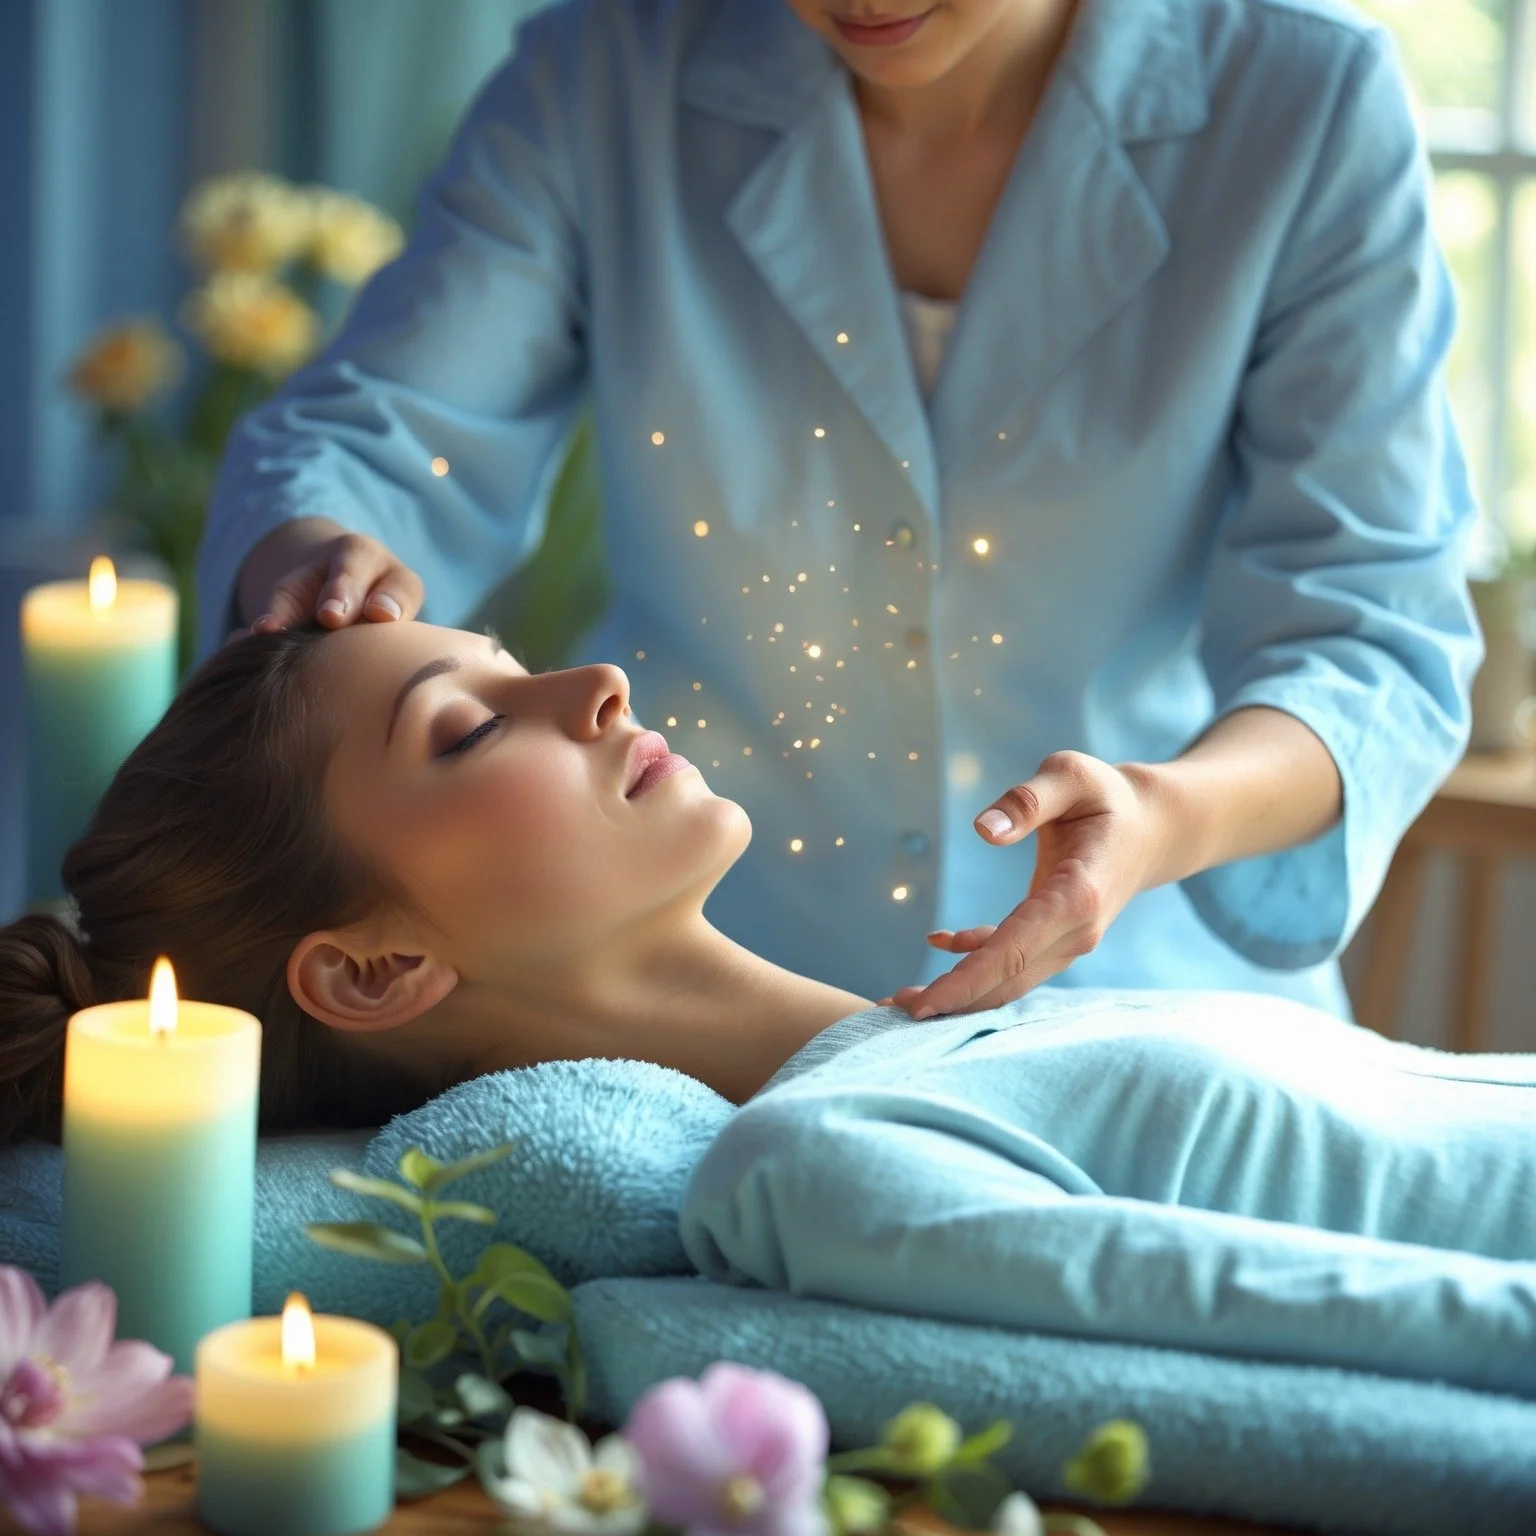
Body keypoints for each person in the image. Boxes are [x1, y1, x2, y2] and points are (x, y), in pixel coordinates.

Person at [197, 0, 1482, 1023]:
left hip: (1146, 994)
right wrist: (319, 549)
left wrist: (1167, 816)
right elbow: (388, 427)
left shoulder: (1304, 99)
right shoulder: (604, 73)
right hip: (695, 1000)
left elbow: (1370, 633)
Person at [0, 623, 1529, 1397]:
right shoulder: (819, 1167)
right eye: (468, 730)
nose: (590, 681)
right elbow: (1369, 1330)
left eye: (514, 665)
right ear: (378, 971)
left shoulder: (936, 1047)